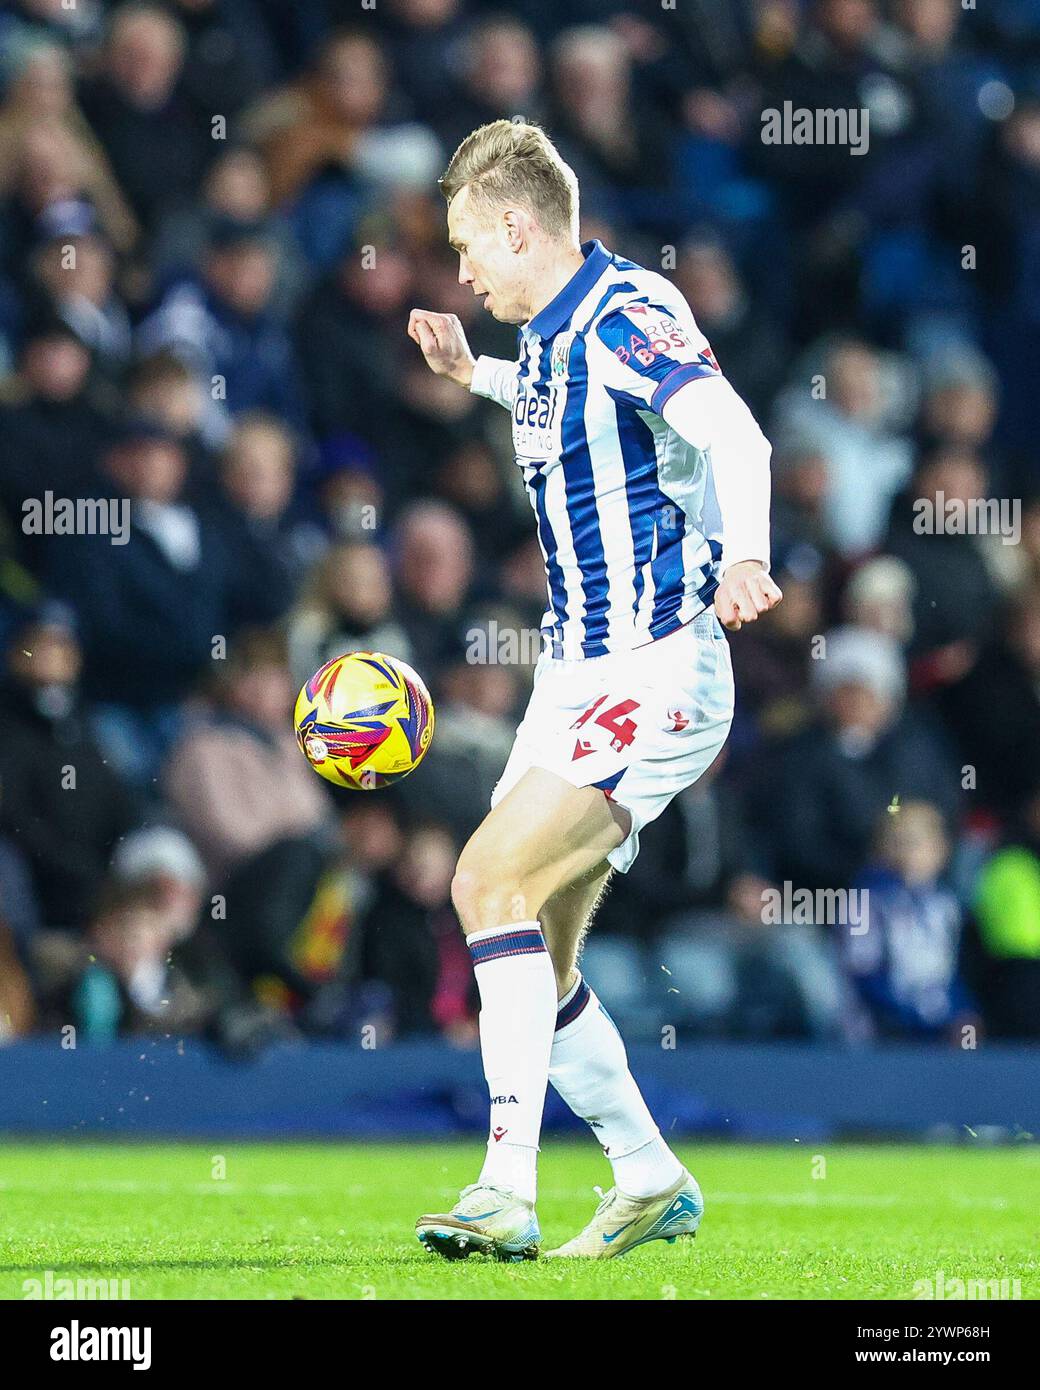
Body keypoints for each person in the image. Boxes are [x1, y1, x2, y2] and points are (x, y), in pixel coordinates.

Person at [406, 120, 780, 1261]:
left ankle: (502, 1190)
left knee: (484, 876)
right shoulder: (565, 332)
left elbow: (735, 434)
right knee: (538, 947)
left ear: (521, 229)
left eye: (471, 249)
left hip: (658, 663)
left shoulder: (627, 315)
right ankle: (647, 1176)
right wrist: (474, 372)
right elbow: (561, 397)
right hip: (573, 670)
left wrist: (747, 554)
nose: (463, 274)